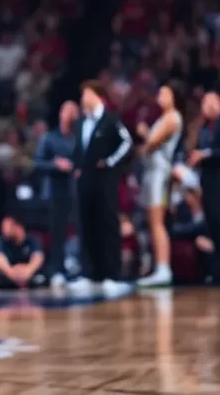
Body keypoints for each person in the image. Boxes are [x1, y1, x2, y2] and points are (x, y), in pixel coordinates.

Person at [70, 80, 132, 297]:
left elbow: (126, 143)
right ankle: (90, 274)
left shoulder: (111, 120)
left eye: (86, 93)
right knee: (87, 224)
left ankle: (112, 275)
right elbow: (79, 150)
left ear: (97, 95)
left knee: (107, 223)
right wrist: (77, 167)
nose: (83, 98)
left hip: (105, 180)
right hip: (85, 180)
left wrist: (109, 163)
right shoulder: (80, 123)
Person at [186, 91, 220, 285]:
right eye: (205, 102)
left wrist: (206, 154)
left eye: (212, 102)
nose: (208, 106)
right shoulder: (202, 129)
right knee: (213, 224)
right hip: (207, 180)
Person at [135, 81, 184, 288]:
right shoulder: (164, 117)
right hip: (152, 173)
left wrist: (145, 132)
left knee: (157, 223)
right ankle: (160, 267)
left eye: (165, 93)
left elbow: (152, 143)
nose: (160, 97)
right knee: (153, 222)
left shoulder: (173, 118)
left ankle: (164, 268)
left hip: (159, 173)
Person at [33, 100, 78, 289]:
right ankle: (56, 271)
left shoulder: (78, 139)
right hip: (55, 193)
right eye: (66, 111)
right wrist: (55, 164)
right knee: (57, 233)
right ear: (60, 114)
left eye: (73, 112)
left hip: (75, 192)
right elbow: (37, 163)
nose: (70, 115)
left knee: (77, 232)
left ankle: (76, 269)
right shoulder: (49, 139)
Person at [0, 212, 45, 289]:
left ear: (18, 227)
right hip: (9, 274)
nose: (3, 229)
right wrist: (11, 273)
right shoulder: (0, 241)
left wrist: (28, 271)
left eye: (7, 226)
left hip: (28, 274)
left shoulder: (32, 240)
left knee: (42, 277)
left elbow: (38, 258)